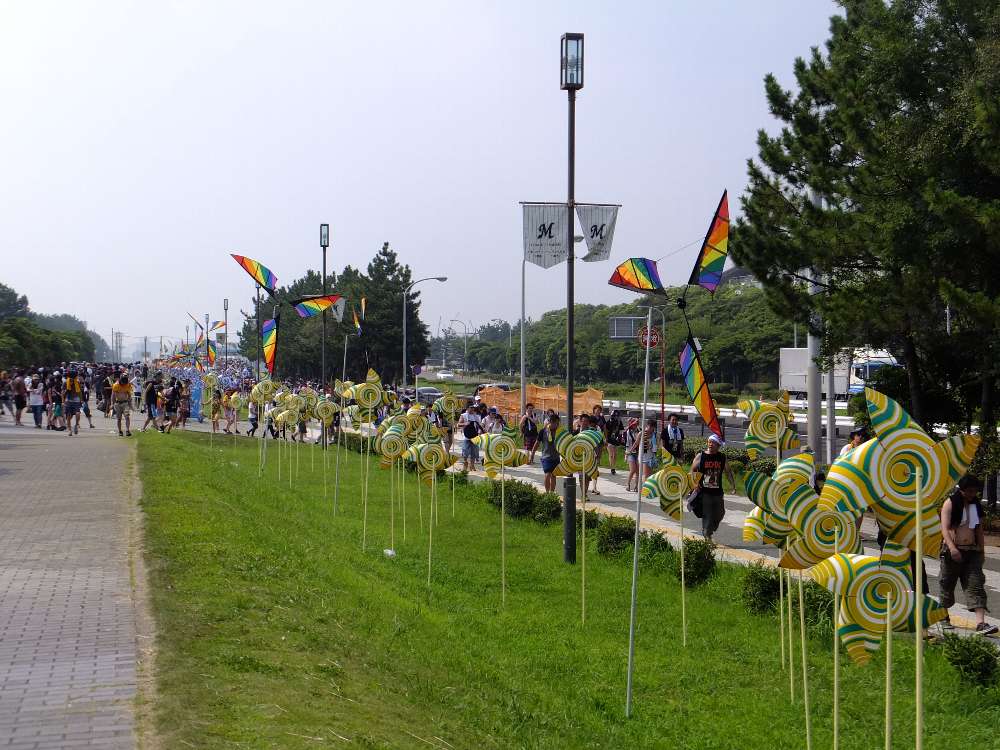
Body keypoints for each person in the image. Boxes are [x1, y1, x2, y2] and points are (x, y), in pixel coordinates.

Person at [939, 476, 998, 635]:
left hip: (972, 552)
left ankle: (981, 623)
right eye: (970, 491)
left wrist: (982, 551)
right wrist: (952, 548)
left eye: (975, 491)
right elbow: (944, 529)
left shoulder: (975, 505)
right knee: (947, 585)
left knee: (976, 585)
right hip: (952, 552)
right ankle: (943, 618)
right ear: (962, 489)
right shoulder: (950, 503)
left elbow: (978, 529)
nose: (973, 494)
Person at [691, 434, 736, 541]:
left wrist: (733, 486)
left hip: (718, 491)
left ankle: (710, 529)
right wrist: (695, 483)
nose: (710, 444)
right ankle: (707, 533)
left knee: (720, 513)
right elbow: (692, 470)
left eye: (713, 442)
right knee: (708, 513)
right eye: (709, 442)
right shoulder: (701, 456)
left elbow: (728, 472)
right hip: (704, 491)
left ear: (718, 445)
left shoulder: (721, 457)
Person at [537, 413, 562, 493]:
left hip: (556, 457)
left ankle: (552, 493)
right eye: (556, 423)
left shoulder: (559, 432)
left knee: (553, 476)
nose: (557, 425)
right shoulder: (543, 431)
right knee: (547, 474)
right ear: (551, 422)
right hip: (546, 457)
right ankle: (547, 493)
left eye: (558, 423)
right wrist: (532, 455)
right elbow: (537, 443)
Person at [457, 402, 482, 471]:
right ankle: (465, 463)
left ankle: (472, 465)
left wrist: (481, 431)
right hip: (467, 436)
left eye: (473, 408)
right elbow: (458, 424)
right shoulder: (463, 415)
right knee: (465, 451)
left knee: (474, 452)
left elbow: (479, 425)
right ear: (467, 408)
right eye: (471, 408)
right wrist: (465, 423)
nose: (472, 409)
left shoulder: (476, 416)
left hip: (475, 436)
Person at [63, 368, 84, 436]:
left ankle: (76, 425)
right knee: (68, 416)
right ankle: (69, 430)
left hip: (76, 400)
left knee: (78, 414)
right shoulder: (66, 383)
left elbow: (80, 392)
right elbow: (62, 393)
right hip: (68, 400)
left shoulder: (77, 382)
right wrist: (67, 390)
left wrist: (81, 400)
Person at [604, 410, 624, 476]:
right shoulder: (608, 422)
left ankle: (613, 466)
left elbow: (621, 430)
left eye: (617, 416)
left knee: (615, 455)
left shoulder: (619, 422)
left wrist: (620, 437)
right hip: (609, 440)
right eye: (615, 416)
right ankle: (612, 468)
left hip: (615, 440)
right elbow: (606, 431)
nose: (616, 417)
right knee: (611, 454)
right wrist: (606, 439)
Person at [624, 418, 641, 492]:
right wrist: (626, 454)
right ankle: (628, 484)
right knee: (633, 469)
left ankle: (636, 486)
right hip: (630, 452)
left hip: (638, 452)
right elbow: (627, 444)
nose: (636, 425)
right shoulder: (628, 432)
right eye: (634, 423)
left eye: (637, 423)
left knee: (638, 470)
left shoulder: (640, 431)